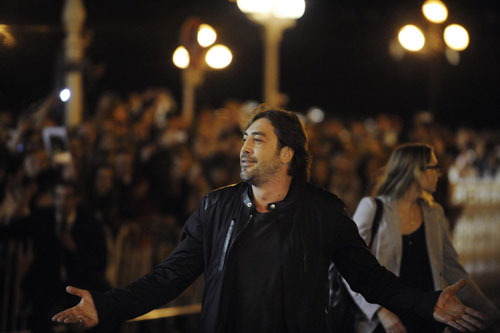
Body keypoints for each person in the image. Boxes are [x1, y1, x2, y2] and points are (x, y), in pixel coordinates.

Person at [53, 108, 486, 333]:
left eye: (256, 139)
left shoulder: (323, 211)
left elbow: (370, 279)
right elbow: (168, 277)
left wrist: (428, 303)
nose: (244, 147)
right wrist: (106, 307)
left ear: (286, 154)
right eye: (243, 138)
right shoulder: (214, 208)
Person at [345, 143, 500, 333]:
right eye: (434, 167)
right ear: (416, 171)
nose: (439, 173)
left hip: (429, 316)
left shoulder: (434, 212)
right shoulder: (373, 208)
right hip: (387, 322)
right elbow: (351, 268)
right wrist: (381, 313)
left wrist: (491, 315)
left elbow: (453, 269)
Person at [1, 180, 109, 332]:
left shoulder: (90, 223)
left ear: (76, 199)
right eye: (58, 197)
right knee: (40, 315)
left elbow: (99, 260)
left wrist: (74, 249)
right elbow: (13, 229)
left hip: (80, 283)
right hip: (47, 283)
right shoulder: (43, 217)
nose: (63, 202)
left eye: (68, 197)